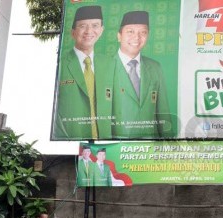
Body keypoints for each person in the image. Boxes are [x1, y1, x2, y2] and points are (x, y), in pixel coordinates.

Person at [54, 5, 113, 140]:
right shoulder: (62, 64)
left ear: (102, 30)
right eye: (82, 26)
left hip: (108, 142)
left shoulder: (110, 64)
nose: (89, 31)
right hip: (72, 141)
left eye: (95, 25)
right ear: (73, 32)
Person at [112, 10, 174, 138]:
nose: (137, 37)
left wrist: (169, 142)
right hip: (117, 146)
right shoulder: (104, 67)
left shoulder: (155, 67)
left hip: (150, 148)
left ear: (148, 36)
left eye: (143, 32)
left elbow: (163, 112)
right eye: (130, 31)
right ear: (119, 35)